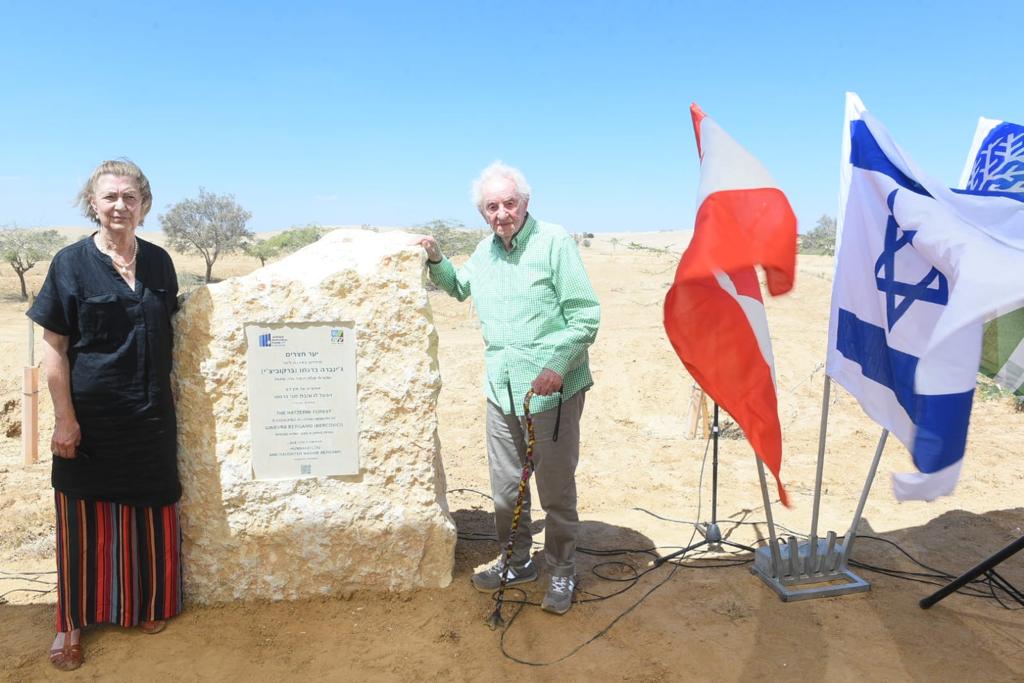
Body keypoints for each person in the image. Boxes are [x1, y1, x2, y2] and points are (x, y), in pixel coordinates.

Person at [415, 161, 600, 615]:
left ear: (525, 202)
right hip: (502, 389)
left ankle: (561, 568)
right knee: (505, 490)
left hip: (552, 390)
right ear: (483, 213)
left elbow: (585, 315)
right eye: (492, 207)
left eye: (509, 203)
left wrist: (557, 365)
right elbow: (459, 287)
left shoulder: (554, 242)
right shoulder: (485, 252)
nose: (502, 214)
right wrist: (436, 259)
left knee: (556, 490)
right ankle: (517, 562)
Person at [28, 159, 183, 671]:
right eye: (110, 196)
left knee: (150, 513)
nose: (120, 206)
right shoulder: (70, 264)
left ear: (144, 204)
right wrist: (64, 419)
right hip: (91, 418)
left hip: (150, 417)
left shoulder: (159, 263)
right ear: (92, 204)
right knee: (82, 521)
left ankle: (142, 605)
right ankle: (71, 623)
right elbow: (54, 348)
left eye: (129, 197)